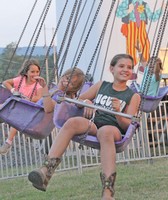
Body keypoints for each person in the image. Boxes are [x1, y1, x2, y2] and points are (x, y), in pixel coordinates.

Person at [28, 54, 141, 200]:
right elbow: (79, 101)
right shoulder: (101, 85)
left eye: (129, 67)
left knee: (105, 131)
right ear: (111, 68)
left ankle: (108, 193)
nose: (126, 69)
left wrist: (118, 113)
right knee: (73, 122)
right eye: (121, 66)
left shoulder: (133, 96)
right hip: (94, 124)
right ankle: (46, 171)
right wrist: (88, 101)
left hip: (114, 130)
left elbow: (127, 126)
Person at [36, 67, 86, 153]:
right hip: (34, 114)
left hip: (37, 120)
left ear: (74, 89)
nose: (66, 83)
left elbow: (49, 109)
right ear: (63, 75)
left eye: (71, 84)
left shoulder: (62, 98)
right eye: (67, 78)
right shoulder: (54, 89)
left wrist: (44, 88)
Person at [0, 59, 43, 155]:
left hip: (26, 109)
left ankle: (8, 143)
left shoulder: (38, 85)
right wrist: (13, 90)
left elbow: (39, 97)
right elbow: (5, 82)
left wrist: (27, 98)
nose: (35, 74)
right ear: (26, 72)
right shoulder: (20, 80)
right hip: (14, 105)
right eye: (32, 72)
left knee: (16, 118)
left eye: (37, 71)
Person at [116, 0, 165, 65]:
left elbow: (152, 17)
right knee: (131, 46)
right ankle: (131, 65)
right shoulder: (127, 2)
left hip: (142, 27)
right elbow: (118, 13)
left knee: (146, 44)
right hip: (131, 26)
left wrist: (162, 8)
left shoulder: (144, 4)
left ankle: (144, 64)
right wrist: (128, 11)